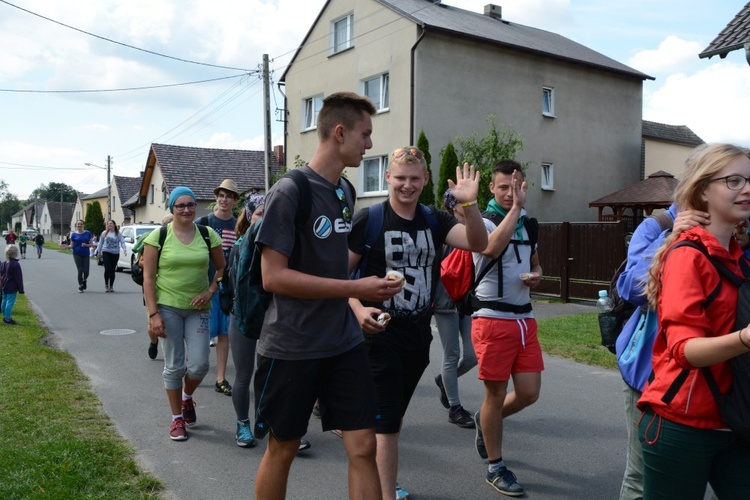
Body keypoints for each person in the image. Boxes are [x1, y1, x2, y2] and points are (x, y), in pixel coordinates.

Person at [252, 91, 402, 500]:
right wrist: (354, 288)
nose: (370, 145)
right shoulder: (289, 191)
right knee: (282, 448)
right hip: (292, 345)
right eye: (365, 135)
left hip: (343, 342)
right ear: (340, 133)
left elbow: (333, 268)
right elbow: (273, 277)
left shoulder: (346, 192)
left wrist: (358, 302)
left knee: (364, 446)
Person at [348, 146, 488, 500]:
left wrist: (469, 205)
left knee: (389, 424)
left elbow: (479, 243)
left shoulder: (433, 220)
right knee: (387, 426)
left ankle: (380, 480)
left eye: (414, 179)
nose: (406, 185)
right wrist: (357, 308)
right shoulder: (370, 220)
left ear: (425, 180)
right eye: (400, 178)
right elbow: (339, 274)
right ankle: (383, 490)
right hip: (377, 335)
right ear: (387, 178)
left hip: (417, 338)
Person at [638, 143, 750, 498]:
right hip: (681, 424)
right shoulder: (688, 256)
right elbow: (684, 350)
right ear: (703, 190)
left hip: (734, 419)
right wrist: (746, 338)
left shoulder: (738, 257)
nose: (747, 189)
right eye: (734, 180)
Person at [614, 203, 709, 500]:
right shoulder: (656, 227)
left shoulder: (740, 228)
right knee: (640, 476)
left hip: (721, 382)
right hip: (649, 375)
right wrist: (671, 239)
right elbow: (633, 289)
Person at [470, 161, 543, 497]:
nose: (510, 193)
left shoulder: (529, 224)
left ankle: (485, 421)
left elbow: (535, 262)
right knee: (495, 395)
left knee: (529, 393)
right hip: (492, 318)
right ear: (492, 188)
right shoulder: (481, 220)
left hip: (524, 319)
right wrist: (515, 208)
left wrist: (538, 274)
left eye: (516, 187)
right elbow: (491, 247)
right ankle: (496, 466)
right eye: (503, 187)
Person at [142, 186, 225, 442]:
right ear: (172, 209)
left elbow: (222, 268)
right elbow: (148, 277)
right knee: (174, 365)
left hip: (198, 309)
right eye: (181, 205)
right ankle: (177, 418)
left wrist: (211, 291)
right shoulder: (159, 236)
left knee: (200, 365)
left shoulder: (207, 234)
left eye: (191, 205)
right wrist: (153, 314)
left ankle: (187, 397)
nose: (187, 209)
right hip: (168, 308)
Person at [433, 189, 477, 427]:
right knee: (452, 354)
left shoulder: (474, 226)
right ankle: (455, 408)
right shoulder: (442, 229)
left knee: (472, 356)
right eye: (462, 201)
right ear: (452, 205)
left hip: (466, 302)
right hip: (444, 301)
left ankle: (444, 381)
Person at [196, 178, 239, 397]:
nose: (224, 200)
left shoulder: (239, 225)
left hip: (228, 288)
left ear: (234, 201)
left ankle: (220, 378)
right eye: (221, 195)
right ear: (216, 198)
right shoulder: (204, 222)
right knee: (200, 332)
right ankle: (194, 368)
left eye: (229, 196)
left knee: (224, 333)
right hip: (204, 285)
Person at [227, 194, 263, 448]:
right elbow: (233, 290)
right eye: (260, 213)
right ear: (250, 216)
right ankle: (243, 424)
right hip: (243, 317)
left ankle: (274, 426)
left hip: (273, 318)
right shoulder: (240, 247)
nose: (266, 218)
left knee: (270, 376)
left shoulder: (283, 245)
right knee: (243, 375)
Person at [134, 214, 173, 360]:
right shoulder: (155, 240)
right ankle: (153, 341)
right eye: (170, 223)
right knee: (152, 325)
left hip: (170, 288)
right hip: (152, 287)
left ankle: (175, 353)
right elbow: (140, 262)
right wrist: (158, 264)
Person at [61, 220, 94, 292]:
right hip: (77, 253)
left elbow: (92, 244)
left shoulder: (88, 233)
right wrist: (66, 246)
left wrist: (86, 245)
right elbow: (72, 246)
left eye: (81, 224)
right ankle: (80, 285)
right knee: (80, 270)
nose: (79, 225)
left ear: (83, 225)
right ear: (76, 225)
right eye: (78, 224)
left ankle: (84, 280)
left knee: (86, 271)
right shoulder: (73, 234)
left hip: (85, 254)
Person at [96, 220, 126, 292]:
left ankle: (111, 286)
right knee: (107, 269)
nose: (109, 225)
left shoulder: (118, 233)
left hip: (115, 253)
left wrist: (124, 249)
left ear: (114, 225)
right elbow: (100, 243)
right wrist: (99, 252)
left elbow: (122, 242)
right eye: (108, 224)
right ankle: (106, 285)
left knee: (112, 270)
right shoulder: (104, 233)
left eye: (111, 224)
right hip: (106, 252)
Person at [1, 244, 24, 325]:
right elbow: (19, 278)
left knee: (4, 301)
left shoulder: (3, 263)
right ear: (16, 253)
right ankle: (7, 318)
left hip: (4, 285)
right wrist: (21, 289)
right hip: (12, 287)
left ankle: (4, 316)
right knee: (9, 302)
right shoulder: (15, 264)